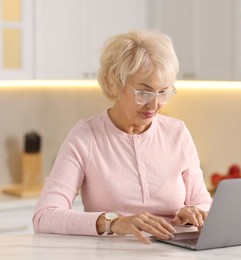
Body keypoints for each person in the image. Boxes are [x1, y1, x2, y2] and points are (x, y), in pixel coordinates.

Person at [32, 29, 212, 244]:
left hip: (174, 251)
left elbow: (204, 202)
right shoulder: (86, 136)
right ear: (113, 83)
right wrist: (113, 222)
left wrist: (194, 212)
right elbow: (44, 216)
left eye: (163, 92)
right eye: (143, 92)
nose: (154, 105)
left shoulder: (177, 132)